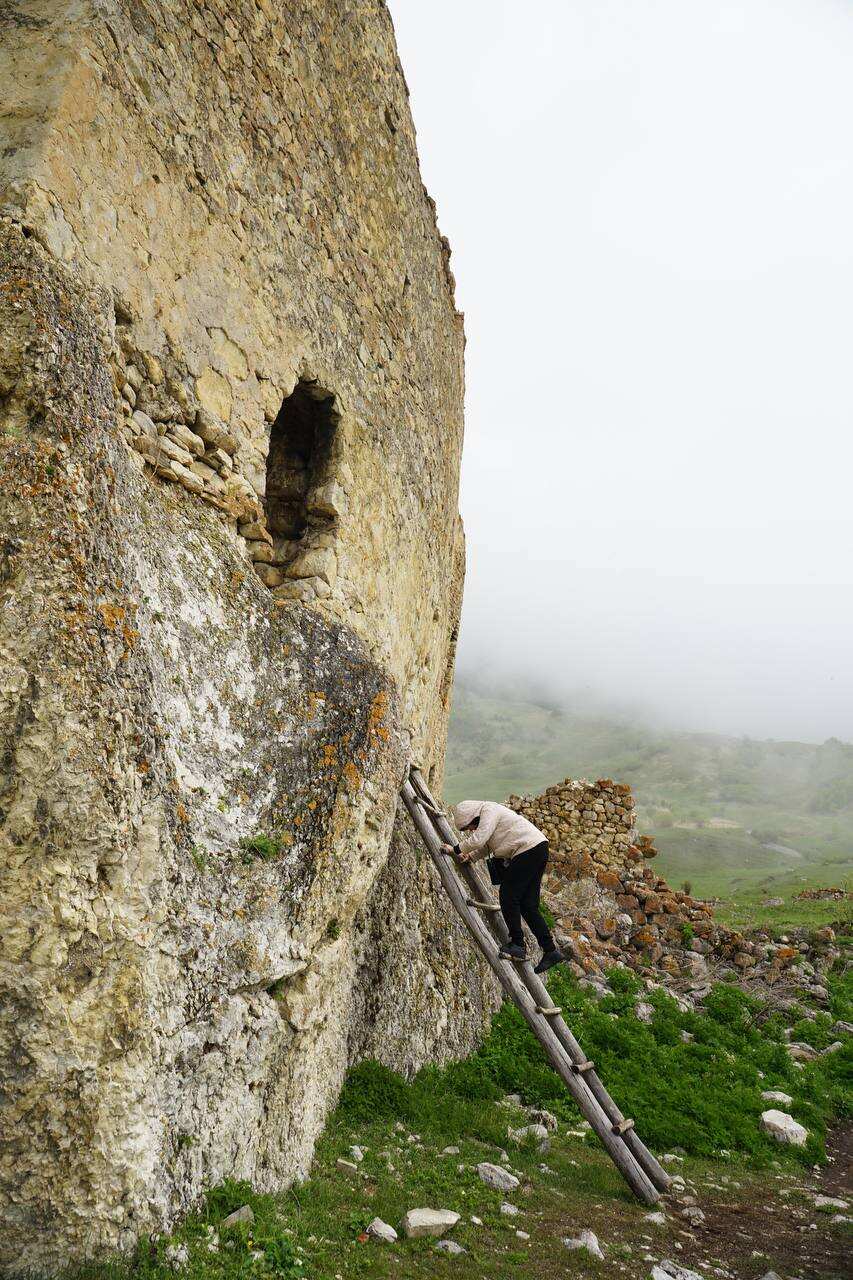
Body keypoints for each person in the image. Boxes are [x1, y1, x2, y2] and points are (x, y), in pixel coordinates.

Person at [442, 800, 564, 974]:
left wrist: (455, 849)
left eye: (470, 826)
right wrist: (471, 857)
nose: (471, 830)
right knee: (528, 905)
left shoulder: (489, 810)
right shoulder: (489, 816)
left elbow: (479, 840)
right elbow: (487, 845)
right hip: (537, 848)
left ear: (473, 817)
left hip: (527, 850)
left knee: (508, 896)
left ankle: (518, 944)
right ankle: (550, 950)